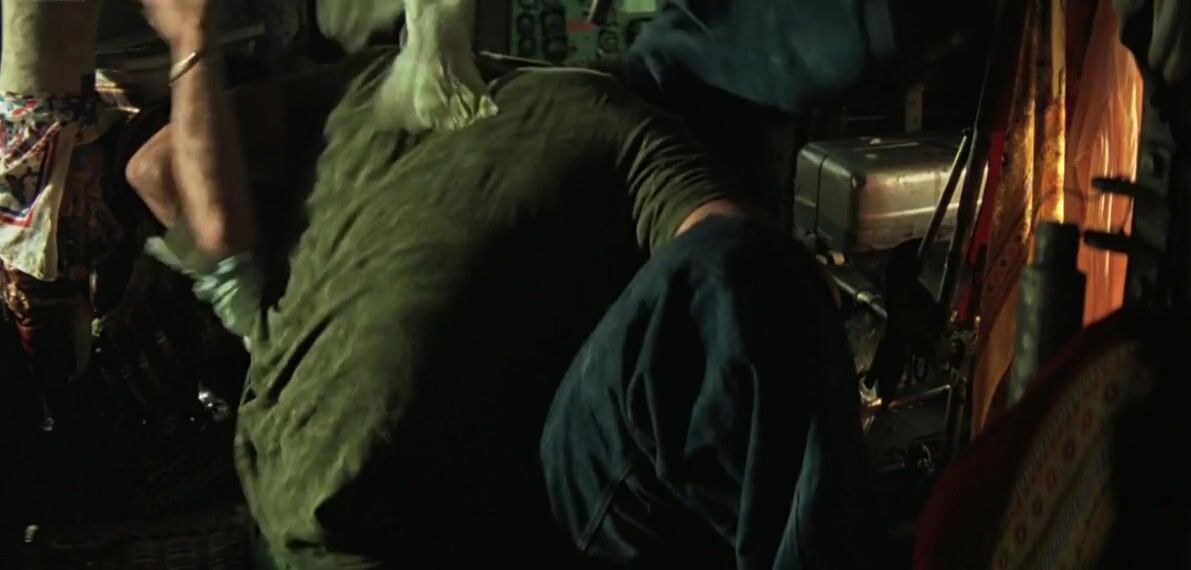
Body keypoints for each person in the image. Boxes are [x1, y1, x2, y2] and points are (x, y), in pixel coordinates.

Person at [129, 0, 876, 566]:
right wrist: (192, 41)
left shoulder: (613, 114)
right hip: (319, 518)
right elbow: (161, 172)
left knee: (741, 266)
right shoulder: (344, 92)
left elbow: (728, 254)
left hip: (521, 507)